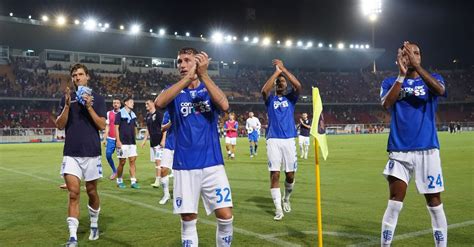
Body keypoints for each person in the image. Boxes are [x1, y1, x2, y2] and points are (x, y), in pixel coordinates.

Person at [155, 47, 233, 246]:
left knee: (226, 216)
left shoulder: (208, 90)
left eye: (187, 60)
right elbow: (159, 103)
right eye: (179, 61)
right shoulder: (174, 92)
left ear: (197, 63)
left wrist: (203, 75)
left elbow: (224, 106)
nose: (182, 65)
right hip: (185, 165)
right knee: (188, 219)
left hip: (212, 164)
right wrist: (187, 79)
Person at [380, 41, 448, 247]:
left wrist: (416, 67)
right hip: (399, 151)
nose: (410, 55)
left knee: (434, 203)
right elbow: (386, 103)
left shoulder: (434, 79)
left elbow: (440, 90)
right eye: (406, 53)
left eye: (415, 53)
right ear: (399, 58)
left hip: (427, 150)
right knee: (394, 202)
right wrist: (401, 75)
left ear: (420, 57)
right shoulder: (390, 82)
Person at [55, 64, 106, 246]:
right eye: (74, 75)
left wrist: (90, 107)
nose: (77, 77)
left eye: (81, 74)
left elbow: (102, 126)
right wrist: (67, 106)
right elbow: (60, 125)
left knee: (92, 192)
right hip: (71, 154)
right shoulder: (67, 98)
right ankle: (73, 237)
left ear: (87, 77)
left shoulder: (98, 99)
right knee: (73, 194)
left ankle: (93, 224)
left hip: (92, 153)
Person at [261, 59, 302, 221]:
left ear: (286, 85)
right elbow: (264, 90)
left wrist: (284, 69)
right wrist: (277, 73)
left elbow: (298, 86)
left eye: (282, 81)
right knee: (275, 174)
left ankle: (286, 199)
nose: (280, 83)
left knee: (290, 175)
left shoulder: (291, 99)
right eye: (278, 81)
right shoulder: (270, 99)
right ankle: (278, 209)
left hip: (289, 140)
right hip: (273, 140)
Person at [115, 97, 140, 189]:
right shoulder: (120, 113)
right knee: (122, 162)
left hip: (131, 142)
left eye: (133, 102)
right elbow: (116, 127)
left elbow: (134, 127)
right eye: (131, 102)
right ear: (125, 103)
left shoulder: (133, 115)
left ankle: (133, 181)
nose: (133, 103)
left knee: (132, 161)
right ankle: (119, 180)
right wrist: (118, 140)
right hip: (122, 142)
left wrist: (135, 138)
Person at [141, 100, 164, 188]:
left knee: (158, 161)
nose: (146, 105)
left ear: (153, 104)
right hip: (152, 142)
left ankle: (157, 181)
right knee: (157, 162)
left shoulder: (159, 114)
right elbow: (148, 128)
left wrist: (163, 140)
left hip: (159, 142)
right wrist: (144, 140)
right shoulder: (148, 115)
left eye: (147, 103)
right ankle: (161, 179)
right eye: (145, 104)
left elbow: (164, 127)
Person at [102, 98, 121, 179]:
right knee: (108, 155)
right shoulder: (109, 113)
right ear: (113, 104)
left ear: (120, 104)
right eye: (114, 103)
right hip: (110, 138)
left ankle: (119, 174)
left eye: (117, 103)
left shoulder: (123, 113)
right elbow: (107, 126)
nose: (115, 104)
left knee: (121, 158)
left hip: (120, 140)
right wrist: (104, 138)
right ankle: (114, 171)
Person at [157, 110, 173, 205]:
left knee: (182, 173)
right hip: (169, 145)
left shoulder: (187, 109)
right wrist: (171, 122)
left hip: (182, 146)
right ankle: (166, 194)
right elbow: (162, 128)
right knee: (163, 170)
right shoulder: (168, 112)